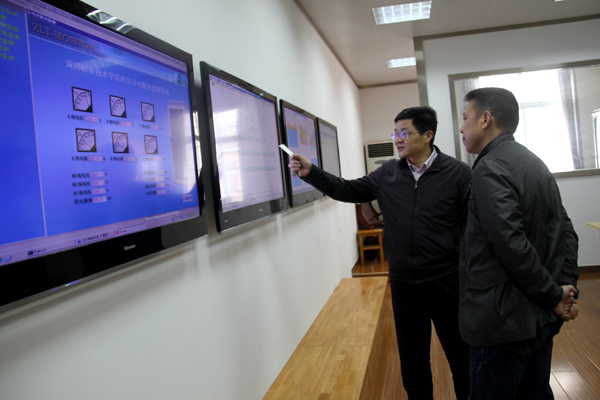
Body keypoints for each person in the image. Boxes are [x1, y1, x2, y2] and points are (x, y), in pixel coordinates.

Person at [290, 106, 472, 400]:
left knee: (462, 359)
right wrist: (313, 173)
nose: (397, 139)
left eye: (404, 133)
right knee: (413, 364)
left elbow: (472, 228)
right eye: (395, 133)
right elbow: (349, 190)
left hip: (447, 282)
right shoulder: (388, 173)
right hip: (404, 285)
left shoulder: (458, 174)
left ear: (428, 135)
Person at [459, 87, 579, 400]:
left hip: (503, 322)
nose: (461, 127)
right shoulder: (533, 161)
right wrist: (565, 290)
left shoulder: (490, 167)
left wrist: (555, 295)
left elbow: (511, 244)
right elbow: (566, 231)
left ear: (485, 119)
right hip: (538, 317)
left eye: (465, 118)